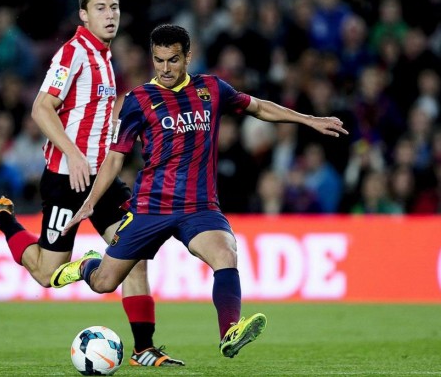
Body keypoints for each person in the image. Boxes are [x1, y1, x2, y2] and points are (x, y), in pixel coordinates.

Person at [50, 24, 349, 359]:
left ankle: (229, 332)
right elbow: (115, 158)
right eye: (158, 60)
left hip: (199, 207)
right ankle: (88, 266)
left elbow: (259, 107)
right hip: (151, 207)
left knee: (226, 254)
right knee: (105, 282)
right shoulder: (137, 101)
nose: (164, 68)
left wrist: (308, 119)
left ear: (188, 56)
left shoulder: (211, 88)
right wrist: (91, 202)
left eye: (173, 60)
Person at [0, 0, 184, 367]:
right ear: (83, 14)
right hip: (67, 178)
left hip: (102, 180)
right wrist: (74, 154)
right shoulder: (73, 53)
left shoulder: (105, 58)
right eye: (100, 8)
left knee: (135, 251)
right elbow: (41, 109)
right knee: (48, 274)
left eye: (114, 7)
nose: (110, 14)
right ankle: (3, 219)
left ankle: (144, 348)